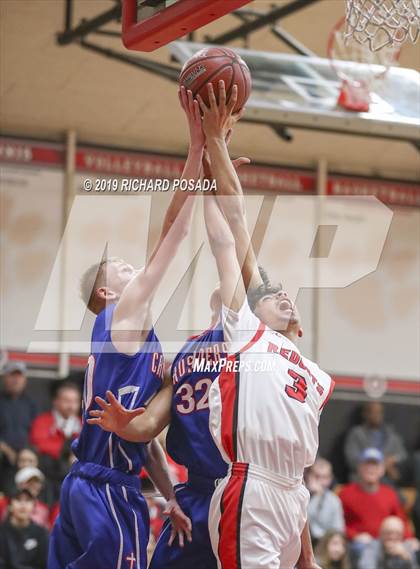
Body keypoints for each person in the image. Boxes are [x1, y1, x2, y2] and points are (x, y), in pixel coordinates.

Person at [47, 86, 201, 569]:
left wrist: (171, 494)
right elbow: (172, 237)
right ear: (108, 294)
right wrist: (198, 153)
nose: (135, 268)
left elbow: (146, 441)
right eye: (122, 269)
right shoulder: (120, 317)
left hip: (87, 484)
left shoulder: (136, 340)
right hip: (105, 491)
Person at [195, 80, 332, 569]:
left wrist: (309, 555)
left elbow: (296, 474)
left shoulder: (315, 376)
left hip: (292, 498)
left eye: (286, 294)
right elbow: (229, 240)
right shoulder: (246, 333)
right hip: (249, 486)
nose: (283, 296)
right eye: (272, 295)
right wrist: (213, 152)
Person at [339, 448, 412, 556]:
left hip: (386, 543)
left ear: (382, 470)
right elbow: (337, 524)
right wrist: (354, 536)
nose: (371, 469)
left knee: (410, 550)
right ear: (359, 468)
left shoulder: (390, 494)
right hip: (357, 544)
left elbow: (401, 521)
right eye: (367, 465)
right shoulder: (345, 493)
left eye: (375, 465)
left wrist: (409, 539)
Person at [30, 382, 82, 501]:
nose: (71, 405)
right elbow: (39, 444)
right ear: (55, 401)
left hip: (73, 479)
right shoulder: (42, 421)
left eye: (75, 401)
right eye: (66, 400)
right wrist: (69, 451)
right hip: (47, 476)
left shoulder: (83, 425)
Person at [344, 402, 407, 481]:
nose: (376, 416)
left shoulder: (390, 433)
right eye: (372, 412)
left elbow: (402, 455)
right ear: (365, 414)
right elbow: (352, 460)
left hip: (387, 477)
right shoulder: (357, 433)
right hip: (362, 478)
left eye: (379, 412)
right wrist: (378, 465)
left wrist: (393, 459)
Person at [0, 361, 37, 494]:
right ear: (4, 377)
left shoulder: (32, 404)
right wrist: (5, 449)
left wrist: (27, 452)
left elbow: (37, 433)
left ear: (24, 379)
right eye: (12, 375)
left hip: (26, 457)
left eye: (19, 376)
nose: (16, 380)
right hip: (4, 459)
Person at [0, 488, 48, 569]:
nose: (23, 504)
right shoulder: (2, 532)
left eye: (28, 500)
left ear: (34, 506)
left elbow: (44, 564)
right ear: (9, 506)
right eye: (18, 499)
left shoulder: (41, 533)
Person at [306, 458, 345, 544]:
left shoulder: (334, 501)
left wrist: (318, 496)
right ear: (308, 476)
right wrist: (316, 498)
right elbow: (304, 523)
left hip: (324, 546)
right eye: (316, 476)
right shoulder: (300, 496)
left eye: (325, 477)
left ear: (330, 479)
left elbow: (338, 531)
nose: (320, 481)